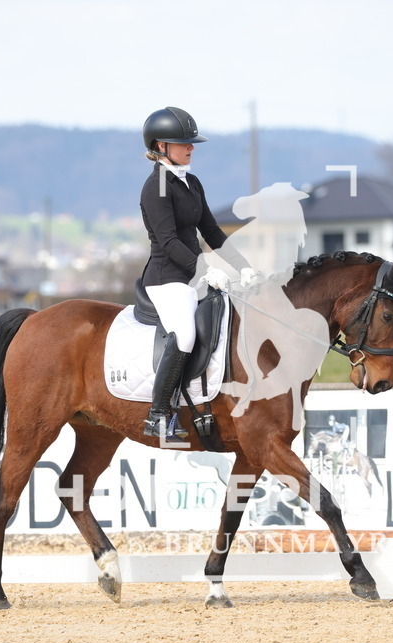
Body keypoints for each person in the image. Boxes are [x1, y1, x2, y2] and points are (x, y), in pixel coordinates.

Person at [139, 106, 255, 440]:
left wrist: (243, 266)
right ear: (161, 146)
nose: (191, 148)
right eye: (183, 143)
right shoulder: (156, 187)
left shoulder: (191, 182)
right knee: (186, 335)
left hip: (193, 274)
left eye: (191, 143)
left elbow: (212, 232)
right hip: (167, 278)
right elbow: (169, 241)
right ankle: (158, 416)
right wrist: (204, 271)